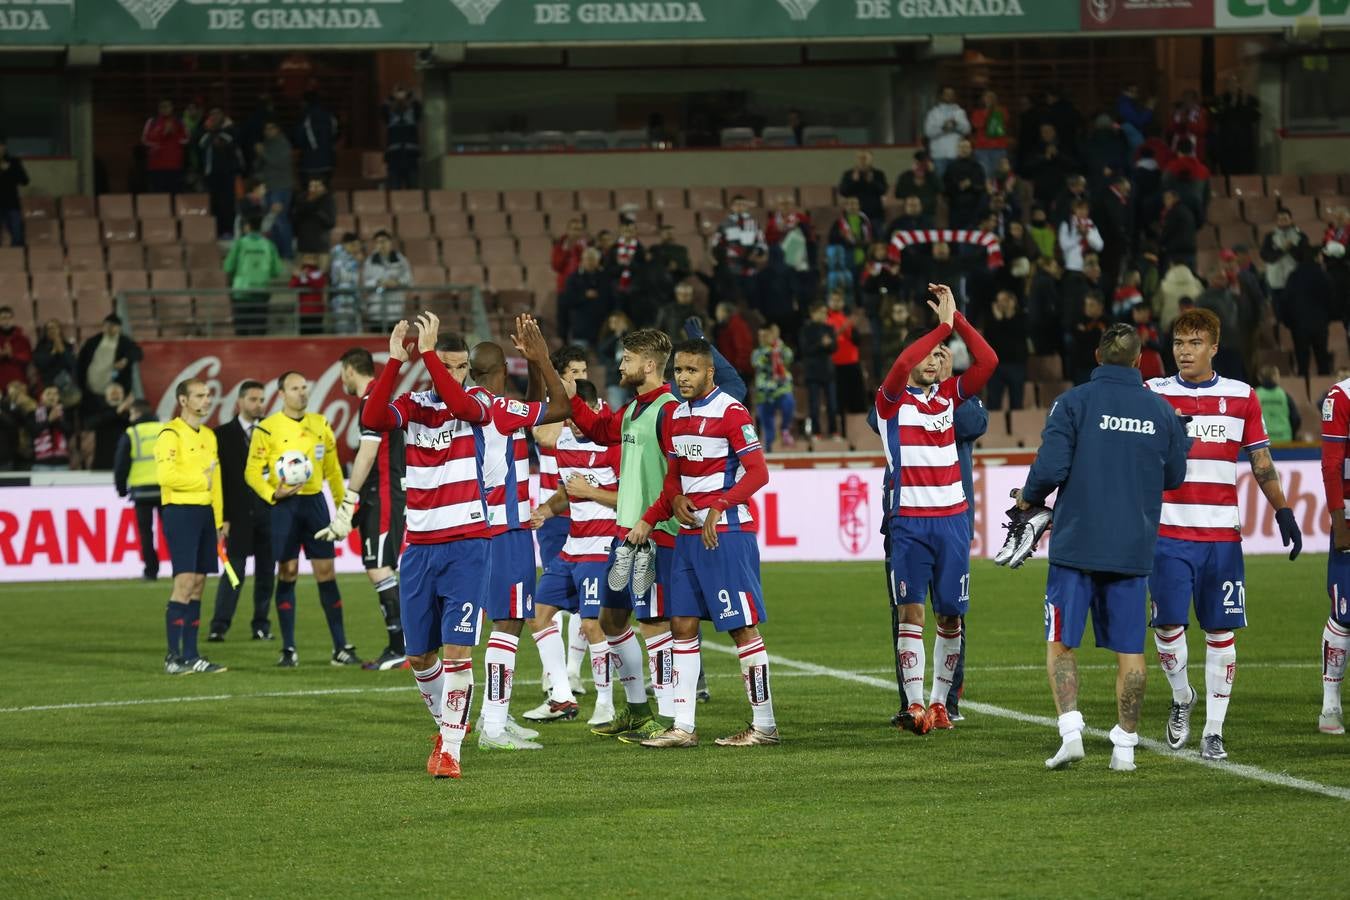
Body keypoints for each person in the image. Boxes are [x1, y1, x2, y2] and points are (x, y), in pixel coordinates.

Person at [1015, 324, 1190, 772]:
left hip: (1077, 545)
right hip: (1132, 549)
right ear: (1138, 362)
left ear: (1097, 355)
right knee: (1130, 651)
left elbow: (1051, 466)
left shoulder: (1073, 403)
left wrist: (1029, 498)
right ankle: (1125, 748)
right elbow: (1174, 477)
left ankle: (1071, 732)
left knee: (1060, 642)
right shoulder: (1162, 411)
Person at [1145, 309, 1302, 761]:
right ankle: (1181, 698)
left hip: (1221, 540)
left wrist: (1284, 509)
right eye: (1178, 343)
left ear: (1214, 347)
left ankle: (1214, 730)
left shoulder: (1242, 397)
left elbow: (1261, 461)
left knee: (1220, 630)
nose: (1184, 352)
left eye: (1194, 343)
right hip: (1168, 534)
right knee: (1169, 625)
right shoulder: (1153, 393)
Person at [625, 337, 777, 748]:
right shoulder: (674, 417)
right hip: (690, 538)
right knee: (682, 626)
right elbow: (674, 477)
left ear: (710, 372)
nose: (684, 378)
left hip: (725, 535)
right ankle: (684, 727)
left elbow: (758, 472)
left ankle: (764, 725)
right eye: (679, 371)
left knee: (741, 628)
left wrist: (721, 504)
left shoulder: (731, 411)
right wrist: (672, 501)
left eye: (691, 371)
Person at [875, 284, 997, 735]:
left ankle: (941, 704)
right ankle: (912, 705)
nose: (932, 359)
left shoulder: (948, 396)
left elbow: (989, 362)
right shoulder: (889, 401)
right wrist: (941, 327)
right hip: (908, 522)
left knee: (951, 615)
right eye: (929, 353)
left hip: (952, 521)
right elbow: (905, 363)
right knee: (911, 613)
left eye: (939, 353)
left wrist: (958, 320)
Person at [462, 333, 574, 744]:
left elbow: (530, 410)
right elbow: (556, 410)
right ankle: (492, 725)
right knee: (509, 623)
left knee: (498, 624)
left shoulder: (472, 405)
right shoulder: (498, 408)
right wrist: (542, 358)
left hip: (479, 526)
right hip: (506, 527)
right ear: (502, 372)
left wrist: (530, 372)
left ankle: (494, 715)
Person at [245, 370, 358, 668]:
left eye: (304, 387)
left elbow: (333, 470)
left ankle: (340, 647)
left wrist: (342, 508)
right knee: (288, 571)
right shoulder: (266, 429)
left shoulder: (320, 424)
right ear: (281, 394)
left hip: (314, 504)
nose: (302, 393)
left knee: (326, 572)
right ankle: (289, 649)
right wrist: (274, 493)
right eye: (295, 388)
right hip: (284, 507)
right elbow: (252, 472)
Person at [529, 378, 624, 728]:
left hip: (601, 546)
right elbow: (567, 492)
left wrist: (591, 491)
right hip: (572, 545)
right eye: (566, 416)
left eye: (573, 414)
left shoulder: (613, 442)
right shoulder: (564, 441)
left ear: (593, 406)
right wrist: (544, 510)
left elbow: (630, 499)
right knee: (537, 614)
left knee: (589, 623)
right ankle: (561, 695)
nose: (569, 422)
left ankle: (605, 703)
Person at [530, 346, 593, 697]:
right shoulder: (550, 410)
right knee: (551, 593)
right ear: (559, 375)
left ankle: (573, 670)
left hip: (589, 511)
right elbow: (545, 437)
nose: (581, 378)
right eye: (575, 372)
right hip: (556, 513)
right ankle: (550, 671)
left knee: (587, 596)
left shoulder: (591, 407)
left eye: (584, 371)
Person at [154, 378, 228, 675]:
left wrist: (220, 519)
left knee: (198, 584)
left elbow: (217, 481)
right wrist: (201, 481)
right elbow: (165, 475)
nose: (206, 400)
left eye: (208, 395)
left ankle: (193, 655)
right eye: (199, 395)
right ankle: (173, 657)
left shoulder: (209, 436)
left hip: (205, 513)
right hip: (180, 511)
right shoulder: (170, 433)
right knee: (184, 583)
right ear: (183, 401)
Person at [207, 380, 274, 642]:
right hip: (236, 517)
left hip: (268, 513)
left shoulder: (271, 431)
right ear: (240, 402)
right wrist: (221, 517)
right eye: (254, 399)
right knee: (234, 572)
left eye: (261, 399)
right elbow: (218, 481)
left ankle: (261, 625)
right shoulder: (220, 435)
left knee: (267, 573)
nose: (259, 404)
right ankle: (219, 625)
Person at [1317, 371, 1350, 735]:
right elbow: (1331, 464)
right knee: (1345, 614)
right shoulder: (1341, 396)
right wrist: (1338, 520)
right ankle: (1331, 704)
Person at [113, 400, 162, 582]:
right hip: (166, 490)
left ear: (137, 414)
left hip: (142, 492)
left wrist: (121, 488)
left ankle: (151, 570)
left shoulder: (132, 433)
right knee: (172, 531)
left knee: (146, 533)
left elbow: (121, 464)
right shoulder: (165, 429)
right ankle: (181, 569)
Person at [223, 215, 285, 336]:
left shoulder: (240, 244)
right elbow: (276, 271)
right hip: (261, 293)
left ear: (247, 227)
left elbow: (228, 266)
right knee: (259, 334)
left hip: (241, 293)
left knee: (242, 334)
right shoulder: (269, 245)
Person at [197, 109, 243, 238]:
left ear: (223, 117)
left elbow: (225, 142)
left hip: (227, 174)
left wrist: (215, 132)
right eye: (212, 114)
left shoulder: (231, 130)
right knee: (213, 204)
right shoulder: (204, 132)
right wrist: (210, 131)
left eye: (218, 114)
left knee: (227, 203)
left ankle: (228, 230)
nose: (215, 117)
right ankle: (215, 231)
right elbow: (201, 144)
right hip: (211, 174)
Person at [77, 314, 142, 403]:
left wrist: (125, 360)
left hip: (114, 391)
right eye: (107, 325)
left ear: (119, 328)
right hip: (90, 389)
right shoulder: (93, 341)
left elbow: (138, 353)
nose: (109, 328)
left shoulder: (125, 342)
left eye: (112, 326)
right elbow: (81, 361)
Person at [253, 121, 295, 259]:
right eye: (265, 128)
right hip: (268, 187)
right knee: (270, 222)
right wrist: (259, 155)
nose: (267, 131)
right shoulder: (267, 143)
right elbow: (260, 165)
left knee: (280, 220)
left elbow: (278, 163)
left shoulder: (283, 143)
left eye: (271, 128)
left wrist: (263, 152)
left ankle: (287, 253)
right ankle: (275, 253)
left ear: (278, 129)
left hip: (281, 187)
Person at [751, 323, 795, 452]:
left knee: (789, 402)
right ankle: (769, 453)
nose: (762, 338)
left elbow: (789, 357)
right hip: (763, 392)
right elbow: (759, 363)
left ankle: (785, 429)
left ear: (772, 335)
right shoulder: (757, 352)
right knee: (768, 428)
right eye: (760, 336)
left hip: (781, 387)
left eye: (765, 335)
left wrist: (778, 347)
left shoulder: (782, 349)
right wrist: (772, 350)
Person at [984, 289, 1029, 410]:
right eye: (998, 301)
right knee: (993, 402)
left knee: (1016, 402)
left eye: (1004, 300)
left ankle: (1016, 427)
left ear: (1012, 301)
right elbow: (990, 339)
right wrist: (998, 320)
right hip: (996, 366)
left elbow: (1017, 336)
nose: (1001, 304)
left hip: (1016, 365)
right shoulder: (991, 320)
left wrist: (1004, 320)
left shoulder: (1021, 318)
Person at [801, 301, 839, 438]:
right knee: (814, 405)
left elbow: (834, 348)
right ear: (813, 314)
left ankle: (834, 431)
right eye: (821, 312)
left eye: (825, 312)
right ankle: (816, 432)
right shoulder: (806, 330)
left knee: (833, 405)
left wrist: (829, 345)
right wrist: (821, 344)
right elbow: (805, 350)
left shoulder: (829, 329)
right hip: (812, 372)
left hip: (828, 372)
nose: (824, 315)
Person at [1260, 209, 1308, 318]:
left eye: (1285, 219)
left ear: (1291, 220)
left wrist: (1291, 248)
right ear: (1276, 221)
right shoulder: (1269, 237)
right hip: (1275, 280)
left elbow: (1304, 257)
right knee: (1279, 312)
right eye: (1280, 219)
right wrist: (1282, 250)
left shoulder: (1301, 236)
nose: (1283, 221)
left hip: (1295, 281)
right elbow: (1266, 256)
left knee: (1296, 312)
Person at [560, 247, 612, 348]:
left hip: (601, 327)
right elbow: (568, 301)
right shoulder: (573, 278)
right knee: (579, 360)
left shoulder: (605, 277)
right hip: (580, 327)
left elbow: (610, 299)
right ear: (582, 260)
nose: (590, 262)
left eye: (593, 259)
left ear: (598, 261)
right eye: (588, 259)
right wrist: (584, 295)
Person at [363, 230, 413, 333]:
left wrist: (397, 282)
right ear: (375, 244)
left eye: (384, 241)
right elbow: (365, 283)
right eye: (378, 242)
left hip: (395, 310)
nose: (381, 245)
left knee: (395, 342)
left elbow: (408, 279)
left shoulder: (401, 260)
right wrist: (378, 282)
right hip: (376, 311)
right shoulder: (370, 261)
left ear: (390, 242)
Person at [924, 86, 971, 179]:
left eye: (951, 94)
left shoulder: (960, 112)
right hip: (939, 155)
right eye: (947, 94)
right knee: (940, 185)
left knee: (956, 184)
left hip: (956, 154)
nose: (949, 96)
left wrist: (956, 125)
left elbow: (967, 130)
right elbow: (928, 132)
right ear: (941, 96)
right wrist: (943, 128)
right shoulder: (933, 113)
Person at [142, 99, 187, 194]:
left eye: (167, 106)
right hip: (157, 166)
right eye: (162, 107)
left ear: (172, 108)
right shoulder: (152, 122)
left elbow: (186, 139)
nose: (165, 109)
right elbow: (145, 140)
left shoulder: (179, 121)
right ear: (159, 109)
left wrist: (174, 134)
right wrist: (163, 134)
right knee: (159, 195)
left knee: (176, 194)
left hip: (175, 166)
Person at [381, 86, 422, 189]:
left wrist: (409, 96)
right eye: (398, 94)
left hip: (410, 154)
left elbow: (418, 107)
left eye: (402, 93)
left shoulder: (413, 110)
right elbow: (382, 109)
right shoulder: (389, 111)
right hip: (394, 155)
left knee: (413, 187)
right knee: (394, 188)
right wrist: (392, 97)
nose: (400, 97)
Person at [87, 382, 134, 470]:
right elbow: (91, 424)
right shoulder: (99, 411)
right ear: (106, 396)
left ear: (123, 396)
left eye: (118, 393)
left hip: (124, 462)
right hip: (103, 463)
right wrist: (118, 411)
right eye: (113, 393)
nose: (115, 396)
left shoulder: (130, 414)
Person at [294, 92, 339, 184]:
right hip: (328, 162)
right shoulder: (330, 116)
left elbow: (298, 138)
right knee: (324, 192)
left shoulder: (305, 117)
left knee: (311, 194)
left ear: (306, 102)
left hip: (310, 162)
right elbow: (335, 136)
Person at [837, 150, 888, 225]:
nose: (862, 161)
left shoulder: (878, 174)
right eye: (859, 158)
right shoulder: (848, 174)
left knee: (879, 234)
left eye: (865, 158)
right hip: (853, 214)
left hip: (874, 215)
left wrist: (872, 181)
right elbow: (842, 192)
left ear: (871, 160)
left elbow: (883, 191)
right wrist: (853, 181)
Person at [1254, 365, 1301, 443]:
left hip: (1261, 441)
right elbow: (1296, 419)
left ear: (1259, 378)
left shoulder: (1255, 395)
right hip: (1284, 439)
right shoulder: (1284, 395)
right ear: (1275, 377)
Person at [329, 231, 363, 334]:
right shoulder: (338, 259)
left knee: (355, 333)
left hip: (353, 301)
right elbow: (341, 279)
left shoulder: (352, 259)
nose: (357, 249)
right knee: (343, 332)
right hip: (341, 301)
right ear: (347, 244)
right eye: (355, 245)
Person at [292, 177, 336, 258]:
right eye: (311, 186)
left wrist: (317, 210)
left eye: (316, 186)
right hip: (303, 246)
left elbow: (331, 223)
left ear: (324, 188)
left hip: (321, 247)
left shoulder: (328, 201)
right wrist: (307, 204)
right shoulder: (301, 200)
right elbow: (295, 220)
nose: (313, 189)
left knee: (323, 270)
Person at [1058, 198, 1104, 275]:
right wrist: (1079, 236)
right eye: (1080, 208)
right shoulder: (1066, 224)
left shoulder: (1091, 225)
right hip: (1072, 266)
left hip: (1089, 267)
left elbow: (1099, 246)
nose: (1083, 211)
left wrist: (1087, 235)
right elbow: (1064, 246)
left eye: (1085, 209)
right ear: (1074, 209)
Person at [0, 134, 30, 247]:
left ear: (4, 147)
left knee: (17, 235)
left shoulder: (14, 162)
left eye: (1, 146)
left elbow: (25, 181)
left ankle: (19, 259)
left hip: (12, 203)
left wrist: (9, 170)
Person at [289, 252, 328, 335]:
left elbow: (318, 285)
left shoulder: (319, 273)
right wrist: (298, 276)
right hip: (303, 312)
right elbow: (292, 285)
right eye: (307, 258)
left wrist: (307, 276)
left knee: (317, 335)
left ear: (317, 261)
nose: (309, 261)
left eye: (312, 258)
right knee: (304, 336)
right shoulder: (300, 273)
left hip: (317, 312)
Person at [551, 218, 589, 295]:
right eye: (574, 229)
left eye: (580, 230)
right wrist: (566, 251)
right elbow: (556, 267)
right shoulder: (559, 246)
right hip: (564, 288)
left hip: (581, 288)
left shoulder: (585, 246)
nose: (577, 232)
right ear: (568, 230)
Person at [0, 306, 32, 399]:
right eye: (3, 318)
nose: (6, 321)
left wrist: (12, 355)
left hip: (18, 382)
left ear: (13, 319)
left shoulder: (22, 338)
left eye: (8, 318)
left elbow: (27, 357)